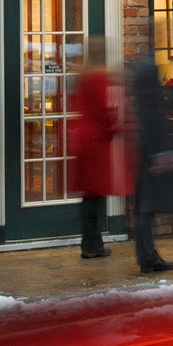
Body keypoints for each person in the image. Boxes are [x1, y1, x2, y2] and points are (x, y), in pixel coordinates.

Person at [131, 59, 173, 274]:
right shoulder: (151, 101)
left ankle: (148, 255)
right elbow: (155, 125)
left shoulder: (142, 97)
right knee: (146, 209)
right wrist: (161, 154)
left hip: (147, 155)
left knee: (144, 209)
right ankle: (148, 257)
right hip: (152, 156)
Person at [71, 39, 116, 259]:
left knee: (90, 196)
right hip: (95, 143)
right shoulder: (98, 78)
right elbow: (103, 111)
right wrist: (113, 127)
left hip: (85, 139)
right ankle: (91, 245)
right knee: (94, 197)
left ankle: (91, 243)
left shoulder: (83, 77)